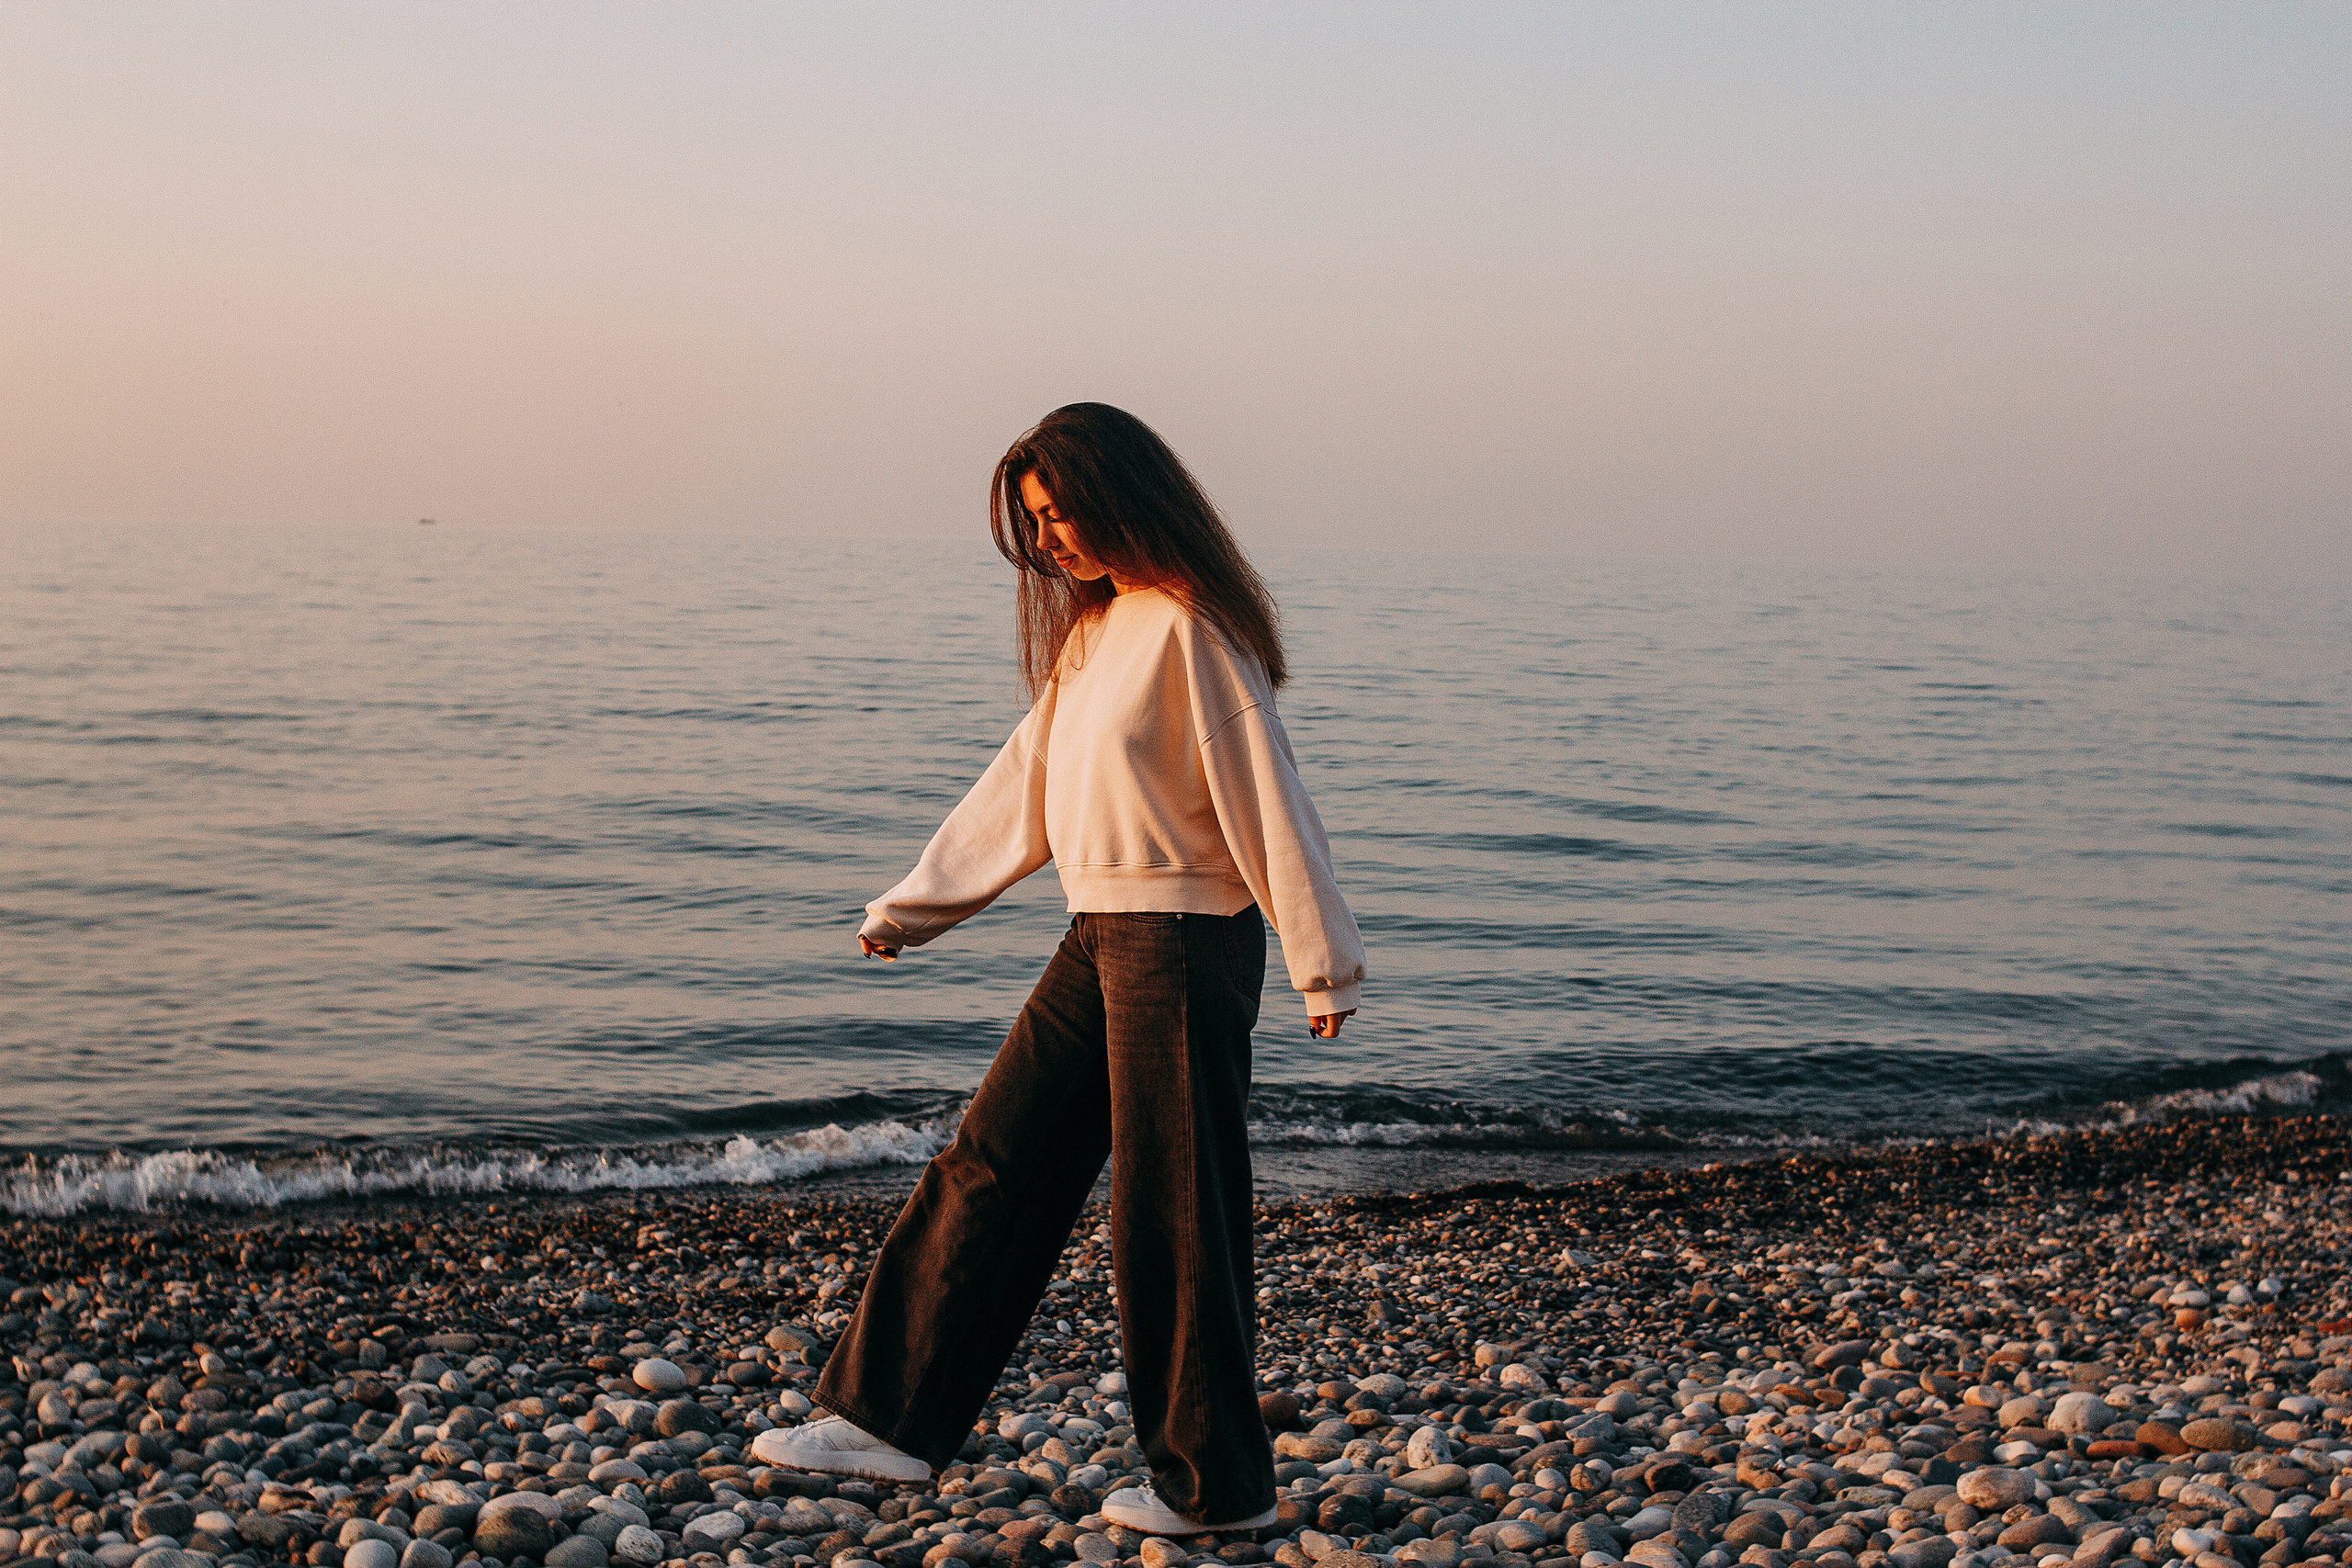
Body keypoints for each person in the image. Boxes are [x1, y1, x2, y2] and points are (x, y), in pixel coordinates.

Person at [752, 402, 1367, 1535]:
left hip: (1185, 942)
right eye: (1034, 522)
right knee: (992, 1162)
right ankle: (885, 1422)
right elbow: (1021, 788)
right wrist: (912, 908)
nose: (1051, 540)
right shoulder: (1093, 636)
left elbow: (1269, 800)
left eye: (1063, 512)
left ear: (1128, 496)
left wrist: (1319, 961)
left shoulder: (1189, 629)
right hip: (1100, 934)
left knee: (1174, 1212)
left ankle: (1215, 1489)